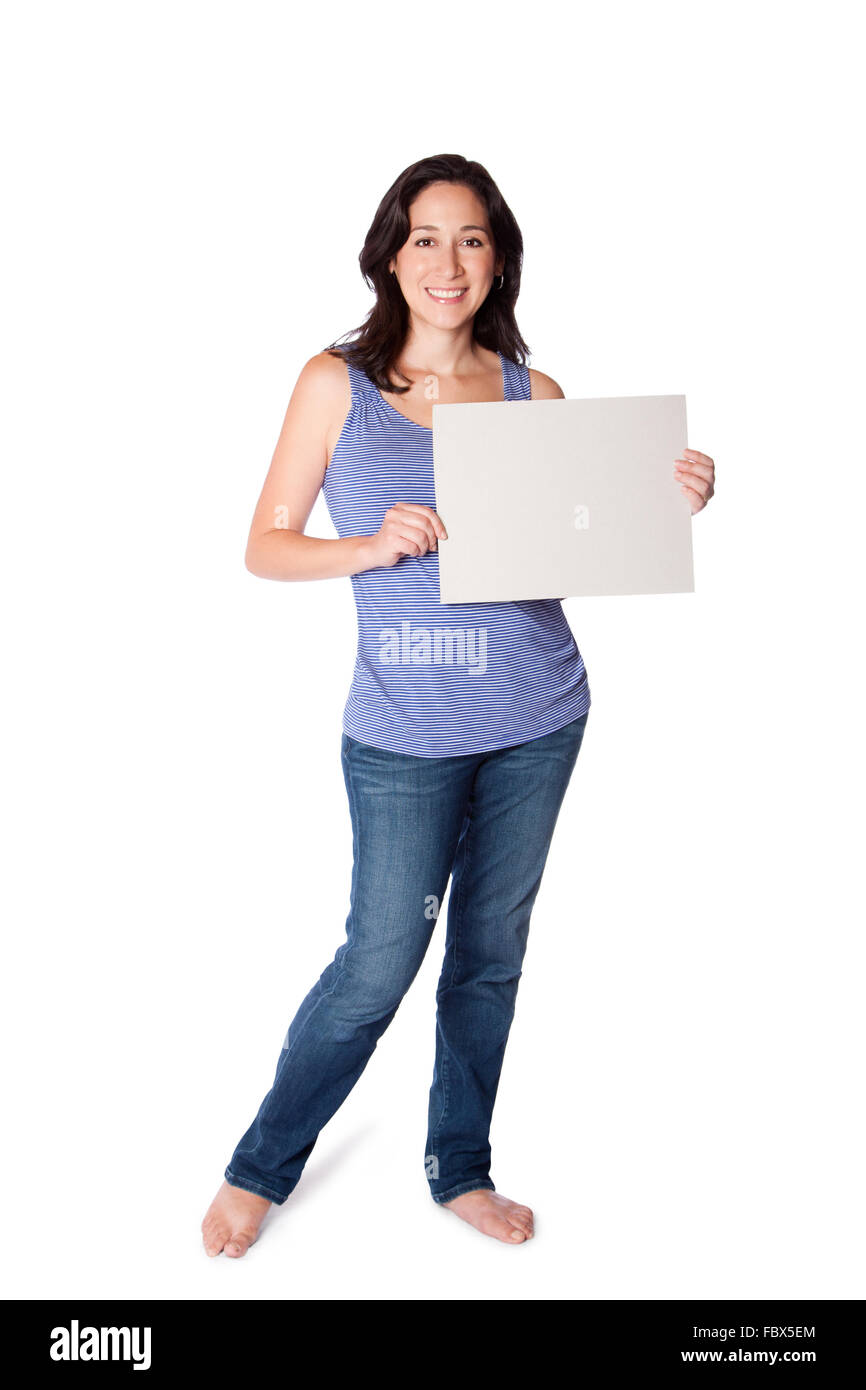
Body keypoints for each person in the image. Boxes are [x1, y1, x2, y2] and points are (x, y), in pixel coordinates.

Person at [201, 153, 716, 1256]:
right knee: (377, 961)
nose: (448, 261)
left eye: (471, 239)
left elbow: (567, 560)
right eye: (426, 237)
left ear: (497, 259)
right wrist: (366, 543)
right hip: (403, 734)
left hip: (538, 716)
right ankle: (260, 1165)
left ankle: (458, 1165)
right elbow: (262, 546)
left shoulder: (534, 394)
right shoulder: (333, 383)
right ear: (392, 252)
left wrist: (665, 505)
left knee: (488, 951)